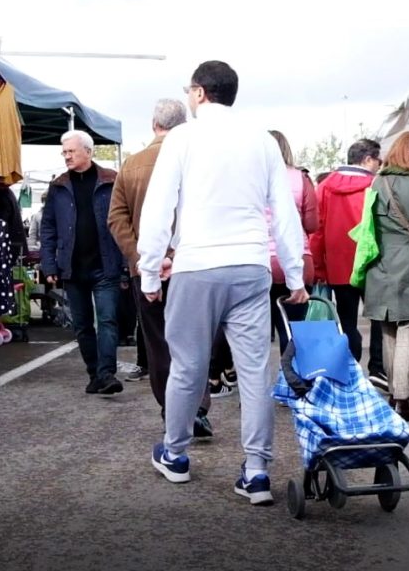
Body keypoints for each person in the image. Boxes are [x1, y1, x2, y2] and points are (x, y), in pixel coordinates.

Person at [138, 60, 308, 506]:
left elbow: (159, 207)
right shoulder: (261, 140)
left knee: (188, 366)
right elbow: (283, 213)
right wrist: (295, 275)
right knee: (254, 370)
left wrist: (150, 271)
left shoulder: (181, 137)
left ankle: (175, 454)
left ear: (198, 93)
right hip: (251, 267)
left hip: (197, 265)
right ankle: (256, 471)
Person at [107, 98, 214, 437]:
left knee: (157, 342)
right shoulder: (200, 159)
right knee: (194, 341)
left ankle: (172, 409)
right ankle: (196, 407)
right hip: (192, 265)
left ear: (154, 124)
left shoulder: (132, 164)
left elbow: (116, 217)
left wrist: (139, 256)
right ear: (183, 124)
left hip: (147, 268)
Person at [40, 130, 126, 396]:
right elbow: (48, 227)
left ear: (88, 151)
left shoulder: (111, 181)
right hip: (72, 266)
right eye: (64, 152)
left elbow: (124, 221)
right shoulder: (58, 186)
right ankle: (95, 374)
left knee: (108, 320)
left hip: (106, 264)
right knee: (82, 325)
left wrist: (125, 262)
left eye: (71, 151)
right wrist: (49, 265)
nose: (66, 156)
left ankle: (106, 374)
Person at [362, 132, 409, 421]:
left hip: (380, 265)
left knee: (390, 330)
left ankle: (394, 394)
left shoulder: (378, 182)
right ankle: (403, 399)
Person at [309, 138, 388, 390]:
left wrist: (319, 267)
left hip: (337, 264)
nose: (379, 165)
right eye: (378, 160)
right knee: (379, 317)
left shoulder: (325, 186)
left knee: (346, 322)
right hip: (373, 262)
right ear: (367, 160)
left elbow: (317, 230)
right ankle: (378, 367)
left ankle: (349, 371)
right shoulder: (376, 185)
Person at [268, 129, 318, 353]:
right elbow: (312, 224)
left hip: (260, 261)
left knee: (255, 336)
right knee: (294, 330)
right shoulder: (301, 178)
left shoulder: (249, 180)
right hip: (298, 259)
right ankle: (294, 381)